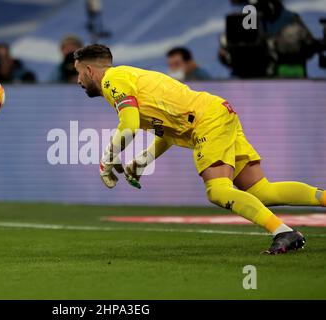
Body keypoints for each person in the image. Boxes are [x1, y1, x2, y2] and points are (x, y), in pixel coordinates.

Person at [73, 44, 325, 254]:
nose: (78, 80)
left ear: (89, 69)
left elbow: (128, 125)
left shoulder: (112, 81)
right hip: (216, 111)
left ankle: (285, 233)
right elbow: (168, 132)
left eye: (78, 73)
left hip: (207, 120)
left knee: (217, 191)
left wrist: (106, 159)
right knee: (262, 190)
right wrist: (143, 159)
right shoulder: (132, 79)